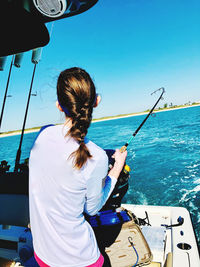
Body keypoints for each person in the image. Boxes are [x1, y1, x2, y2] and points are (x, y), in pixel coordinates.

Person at [29, 67, 127, 267]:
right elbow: (92, 209)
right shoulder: (97, 157)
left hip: (42, 255)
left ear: (59, 105)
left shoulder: (42, 135)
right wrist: (115, 170)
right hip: (79, 260)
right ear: (96, 101)